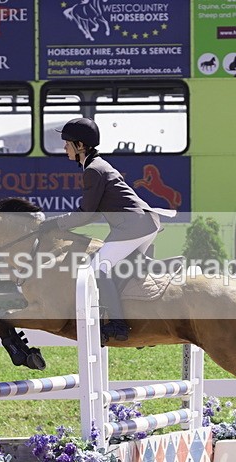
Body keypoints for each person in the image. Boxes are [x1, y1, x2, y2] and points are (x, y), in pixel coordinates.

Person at [38, 117, 161, 344]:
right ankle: (145, 321)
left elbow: (85, 215)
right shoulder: (97, 166)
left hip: (134, 226)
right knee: (123, 272)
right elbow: (92, 213)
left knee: (96, 269)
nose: (64, 147)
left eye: (68, 143)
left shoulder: (93, 170)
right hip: (145, 223)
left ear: (81, 146)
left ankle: (118, 325)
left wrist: (52, 224)